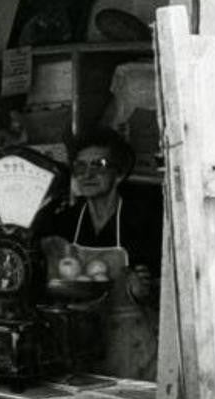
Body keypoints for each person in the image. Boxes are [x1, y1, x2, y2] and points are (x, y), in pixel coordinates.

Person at [39, 128, 163, 379]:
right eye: (80, 166)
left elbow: (171, 289)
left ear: (118, 174)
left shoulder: (142, 219)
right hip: (80, 340)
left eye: (99, 165)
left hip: (132, 345)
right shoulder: (65, 221)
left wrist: (145, 291)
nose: (88, 174)